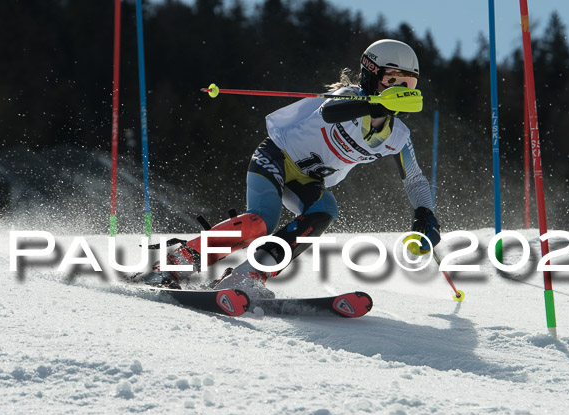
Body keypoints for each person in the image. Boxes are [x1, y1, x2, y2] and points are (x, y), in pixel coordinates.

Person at [138, 39, 441, 297]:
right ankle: (176, 262)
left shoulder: (398, 136)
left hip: (306, 181)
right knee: (260, 223)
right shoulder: (348, 98)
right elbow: (331, 113)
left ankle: (247, 277)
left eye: (409, 84)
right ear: (371, 77)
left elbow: (414, 179)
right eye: (393, 81)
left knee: (324, 211)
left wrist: (425, 214)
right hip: (276, 158)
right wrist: (373, 105)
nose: (401, 91)